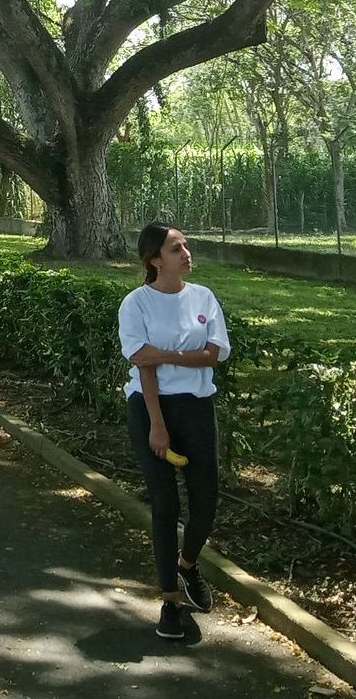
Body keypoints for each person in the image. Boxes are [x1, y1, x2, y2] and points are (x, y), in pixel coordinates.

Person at [120, 222, 230, 641]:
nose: (186, 253)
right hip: (151, 408)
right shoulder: (137, 304)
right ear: (154, 260)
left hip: (197, 407)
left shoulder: (204, 297)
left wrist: (164, 355)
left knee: (205, 504)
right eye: (175, 248)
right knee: (165, 506)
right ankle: (170, 601)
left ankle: (187, 565)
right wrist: (157, 425)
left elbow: (213, 354)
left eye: (185, 245)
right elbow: (141, 362)